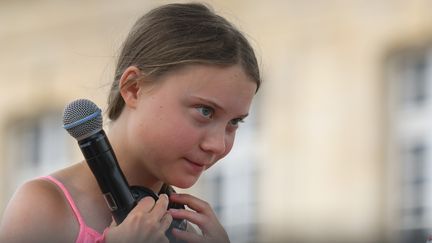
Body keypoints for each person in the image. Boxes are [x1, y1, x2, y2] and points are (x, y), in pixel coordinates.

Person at [0, 2, 261, 243]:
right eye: (205, 111)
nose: (218, 145)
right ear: (134, 88)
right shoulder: (43, 207)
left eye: (235, 122)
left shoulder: (185, 230)